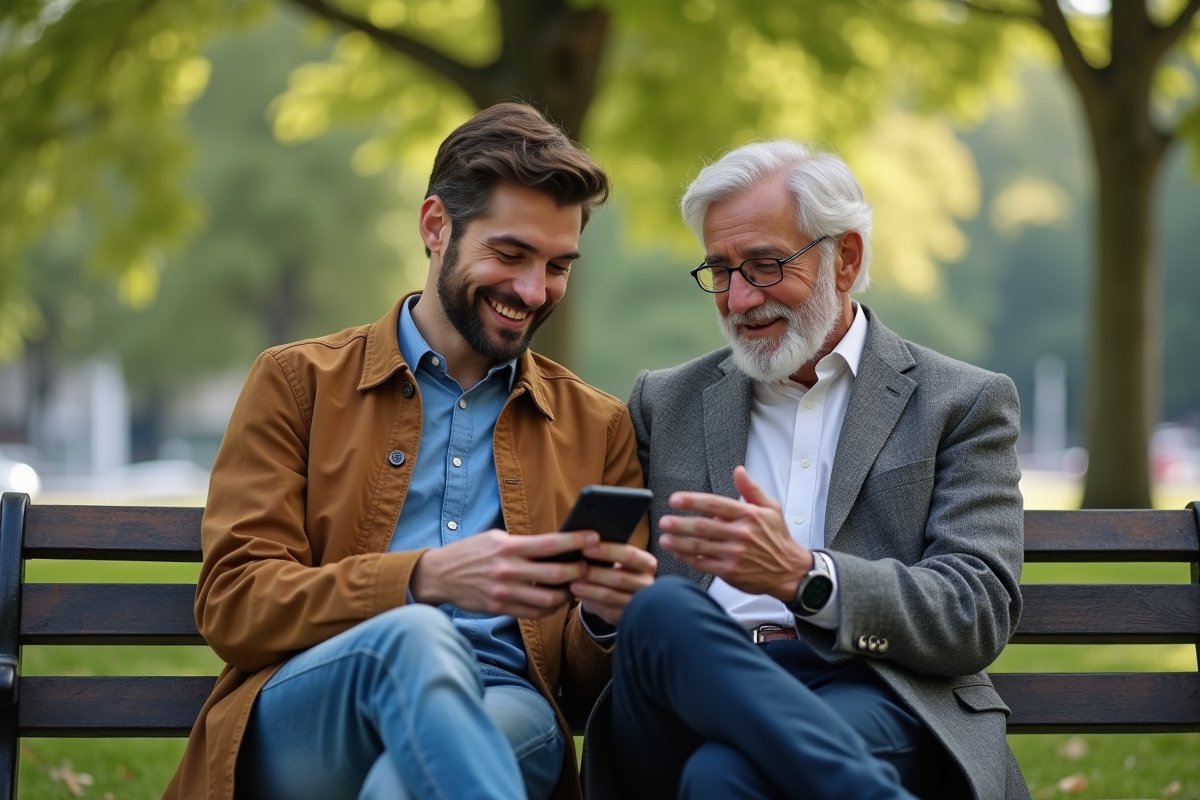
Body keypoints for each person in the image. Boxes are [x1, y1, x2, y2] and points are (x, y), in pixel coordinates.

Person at [163, 102, 657, 800]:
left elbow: (581, 690)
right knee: (414, 640)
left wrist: (606, 620)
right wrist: (421, 579)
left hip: (504, 705)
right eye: (510, 254)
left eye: (557, 266)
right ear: (435, 227)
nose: (532, 290)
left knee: (408, 783)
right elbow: (235, 605)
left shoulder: (597, 426)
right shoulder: (297, 383)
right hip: (317, 705)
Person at [583, 140, 1027, 800]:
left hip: (868, 683)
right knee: (664, 612)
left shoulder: (958, 402)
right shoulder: (663, 400)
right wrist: (602, 602)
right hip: (686, 692)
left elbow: (974, 610)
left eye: (764, 266)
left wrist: (805, 578)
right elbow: (620, 604)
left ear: (843, 259)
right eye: (720, 270)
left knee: (721, 778)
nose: (738, 299)